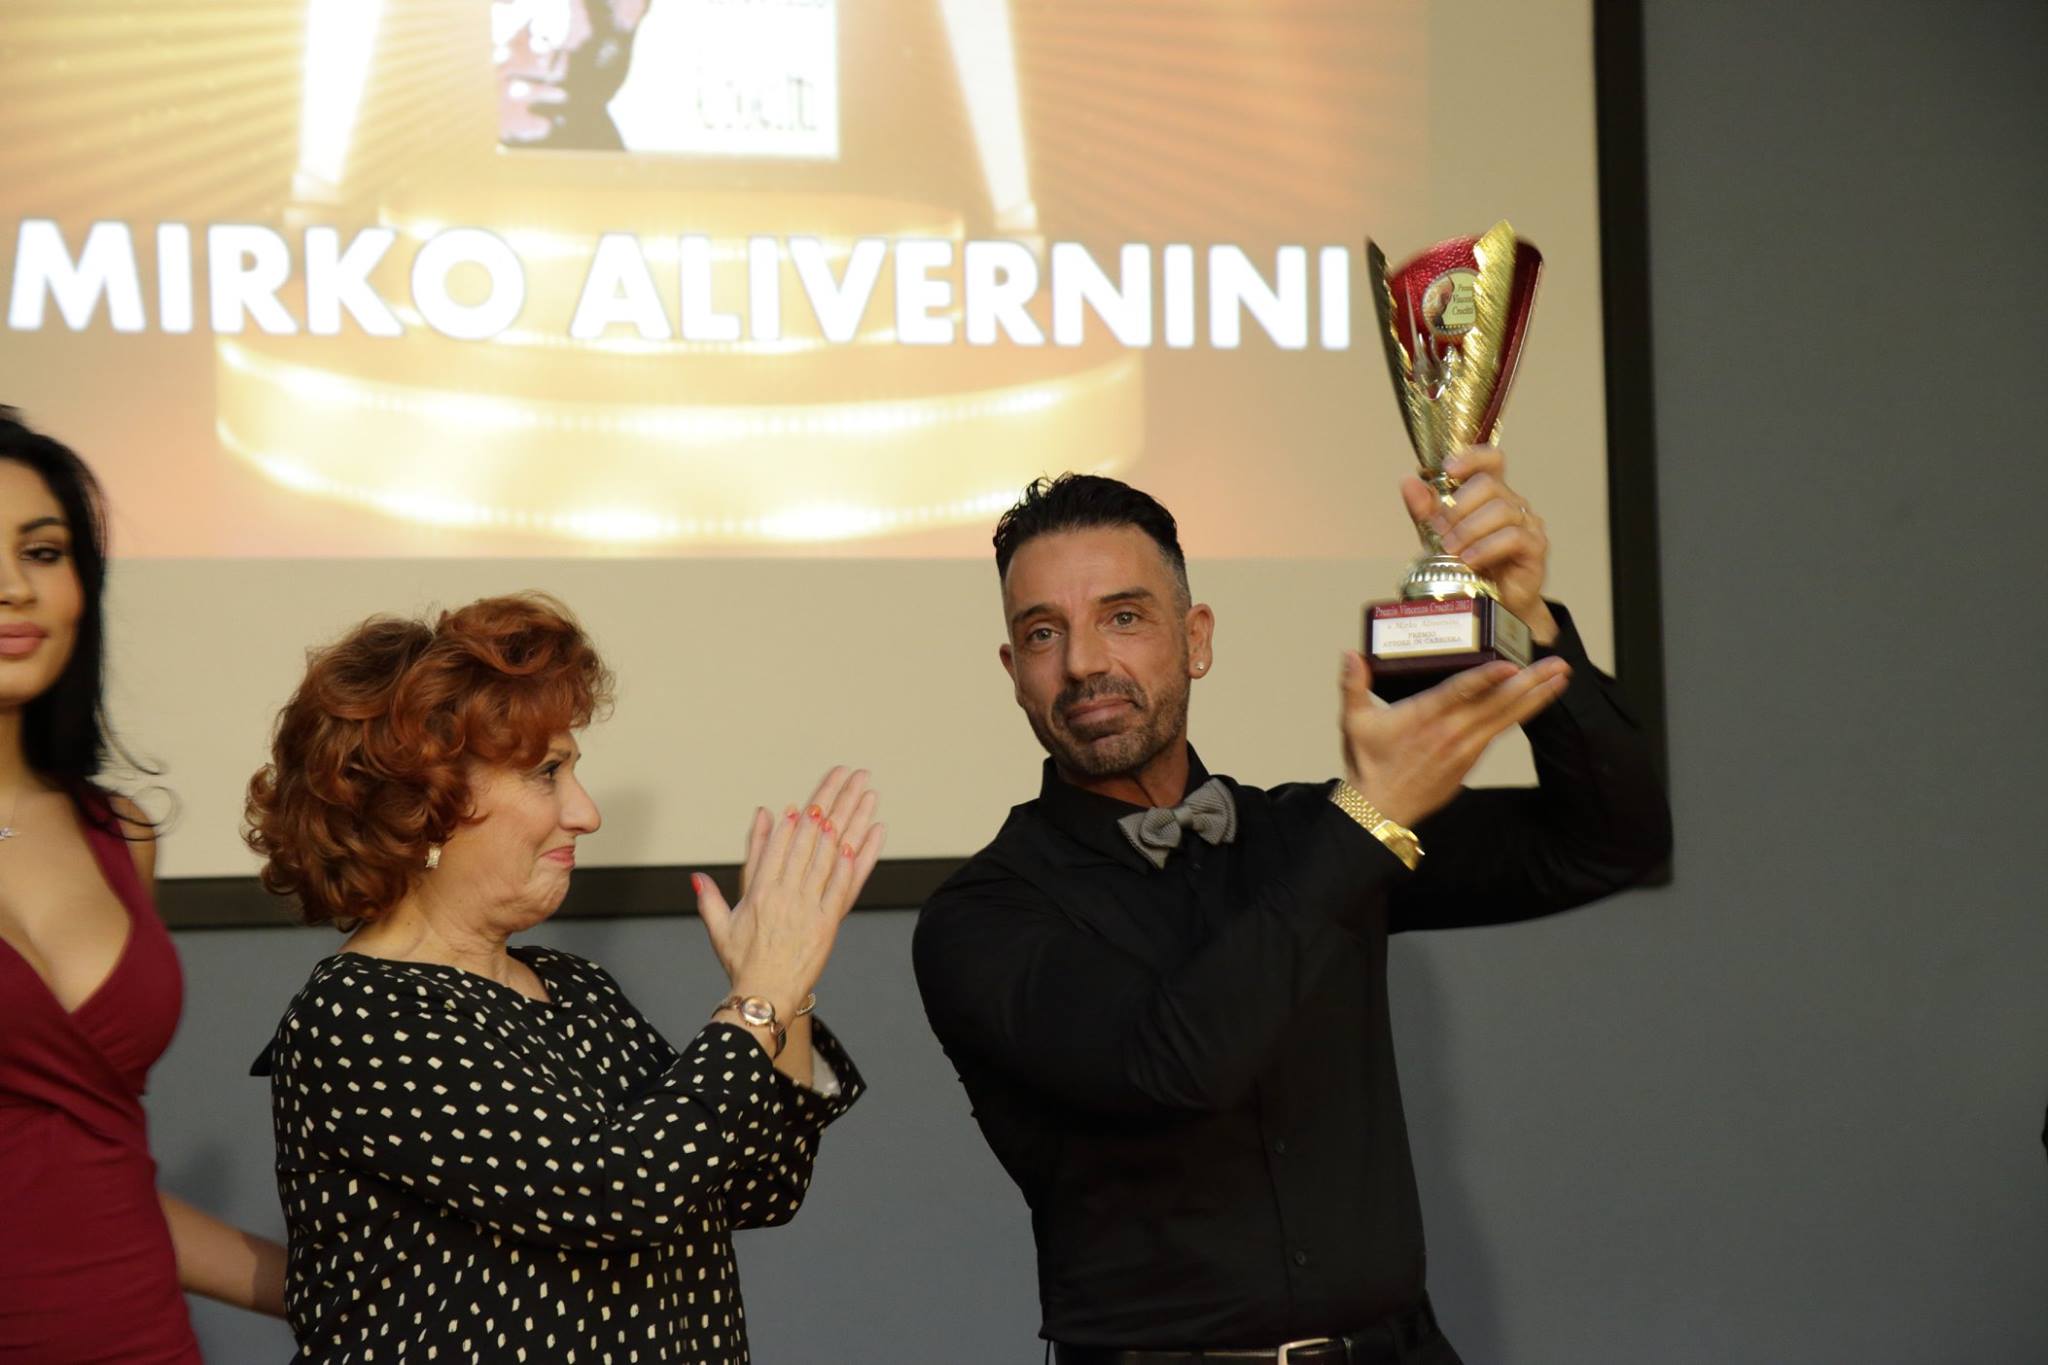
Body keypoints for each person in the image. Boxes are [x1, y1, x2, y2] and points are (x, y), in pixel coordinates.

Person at [913, 455, 1672, 1364]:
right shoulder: (980, 917)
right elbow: (1170, 1066)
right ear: (1014, 671)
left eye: (1124, 616)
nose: (1083, 662)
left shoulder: (1310, 834)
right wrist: (1367, 821)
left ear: (1195, 639)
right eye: (1044, 632)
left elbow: (1611, 839)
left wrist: (1529, 624)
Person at [246, 592, 880, 1365]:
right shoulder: (359, 1015)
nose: (585, 813)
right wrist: (759, 999)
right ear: (421, 804)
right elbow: (616, 1191)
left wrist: (789, 981)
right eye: (547, 773)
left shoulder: (575, 988)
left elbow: (759, 1182)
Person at [0, 409, 286, 1362]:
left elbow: (93, 1181)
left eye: (42, 551)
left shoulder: (120, 832)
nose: (13, 586)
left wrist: (330, 1291)